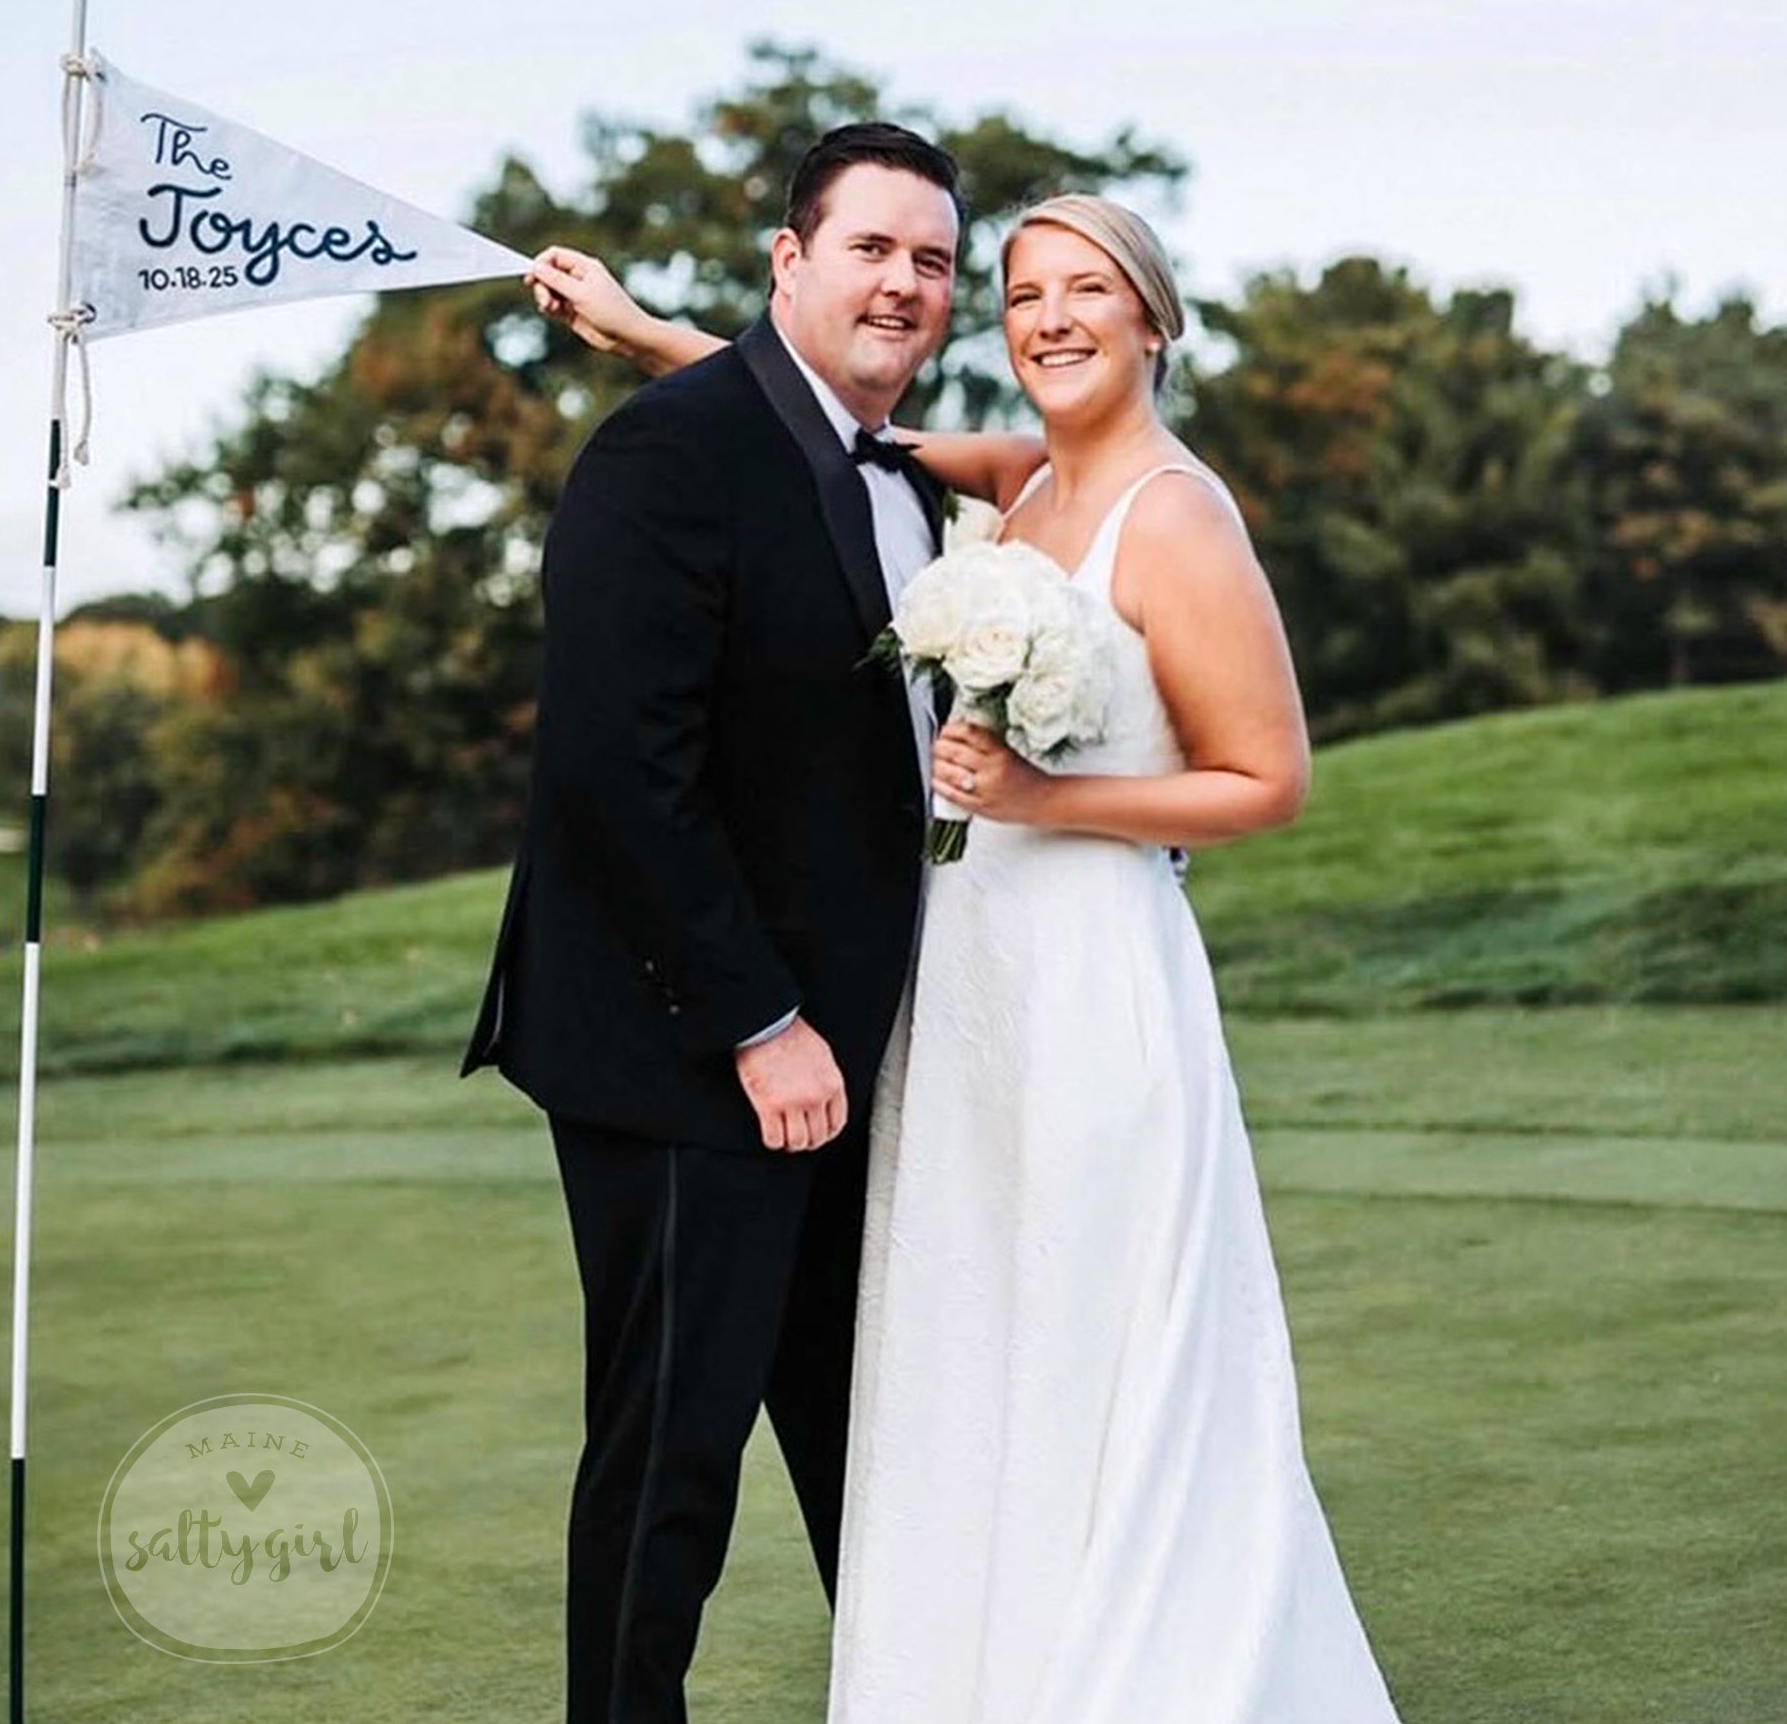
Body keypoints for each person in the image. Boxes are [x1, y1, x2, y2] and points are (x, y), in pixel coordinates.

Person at [530, 191, 1404, 1721]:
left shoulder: (1177, 512)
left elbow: (1267, 778)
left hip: (1091, 984)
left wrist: (1049, 799)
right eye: (1020, 292)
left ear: (1153, 318)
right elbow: (820, 430)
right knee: (975, 1352)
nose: (1048, 318)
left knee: (1088, 1348)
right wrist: (650, 334)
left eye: (1086, 291)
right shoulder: (1030, 479)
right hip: (964, 993)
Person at [463, 122, 963, 1724]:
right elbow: (618, 771)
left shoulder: (895, 481)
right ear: (790, 261)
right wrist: (758, 1023)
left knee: (859, 1436)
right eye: (873, 247)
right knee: (675, 1453)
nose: (904, 282)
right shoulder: (667, 452)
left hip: (858, 1058)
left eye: (934, 260)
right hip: (691, 1056)